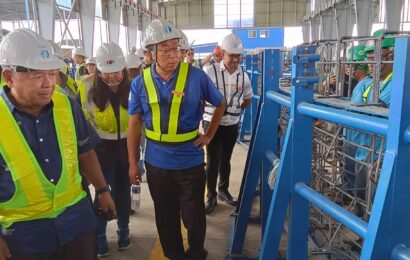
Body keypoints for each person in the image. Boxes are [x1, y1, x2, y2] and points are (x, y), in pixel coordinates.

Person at [0, 28, 116, 260]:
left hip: (76, 224)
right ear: (8, 77)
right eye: (37, 75)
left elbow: (85, 151)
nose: (48, 83)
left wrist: (103, 190)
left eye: (52, 74)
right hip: (23, 235)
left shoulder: (66, 105)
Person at [127, 19, 226, 260]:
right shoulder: (140, 83)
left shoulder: (196, 77)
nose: (174, 54)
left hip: (189, 161)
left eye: (176, 48)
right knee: (165, 214)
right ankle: (174, 254)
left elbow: (220, 103)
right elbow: (134, 123)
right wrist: (132, 162)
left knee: (194, 215)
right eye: (166, 49)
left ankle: (196, 253)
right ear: (151, 52)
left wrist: (210, 134)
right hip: (157, 162)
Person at [78, 42, 132, 257]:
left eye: (116, 72)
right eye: (105, 73)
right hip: (100, 148)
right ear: (98, 70)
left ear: (124, 69)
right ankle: (99, 237)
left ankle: (124, 231)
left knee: (123, 194)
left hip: (127, 147)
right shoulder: (86, 87)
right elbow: (81, 121)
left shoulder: (134, 86)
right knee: (102, 194)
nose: (111, 78)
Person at [203, 33, 253, 214]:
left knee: (226, 159)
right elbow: (200, 98)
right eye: (231, 55)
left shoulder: (243, 76)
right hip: (212, 124)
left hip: (231, 123)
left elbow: (248, 98)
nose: (235, 59)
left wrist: (237, 110)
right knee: (213, 160)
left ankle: (223, 190)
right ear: (223, 54)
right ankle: (211, 196)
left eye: (238, 55)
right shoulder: (210, 72)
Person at [354, 29, 395, 216]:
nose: (371, 63)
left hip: (382, 154)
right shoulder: (371, 83)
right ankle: (360, 235)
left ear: (391, 54)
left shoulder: (397, 83)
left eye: (375, 57)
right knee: (361, 199)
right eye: (369, 58)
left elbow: (378, 112)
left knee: (375, 203)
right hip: (364, 149)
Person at [343, 45, 372, 192]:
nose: (349, 69)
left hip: (360, 138)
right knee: (350, 170)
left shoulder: (368, 84)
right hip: (352, 136)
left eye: (351, 65)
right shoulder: (361, 84)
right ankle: (350, 197)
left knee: (358, 174)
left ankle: (358, 209)